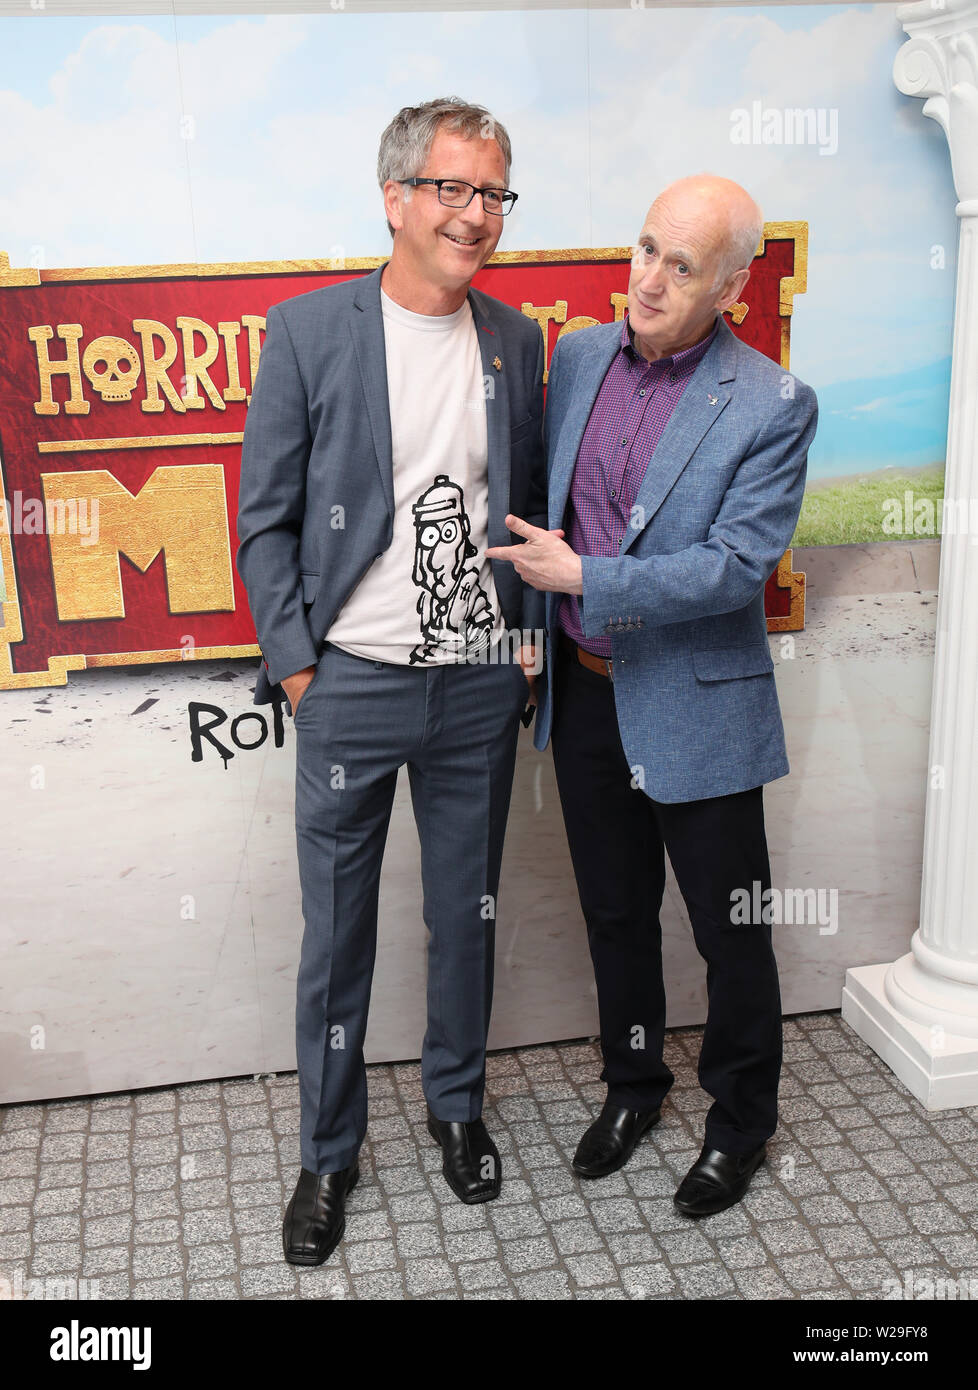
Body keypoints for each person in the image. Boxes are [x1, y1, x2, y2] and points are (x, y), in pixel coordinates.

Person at [236, 96, 545, 1266]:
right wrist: (303, 670)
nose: (477, 217)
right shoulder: (310, 331)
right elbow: (263, 521)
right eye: (455, 190)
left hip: (474, 683)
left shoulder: (514, 343)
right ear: (397, 198)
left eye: (495, 195)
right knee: (338, 931)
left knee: (465, 915)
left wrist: (518, 650)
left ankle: (457, 1105)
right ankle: (328, 1151)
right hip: (350, 685)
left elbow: (515, 511)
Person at [487, 174, 818, 1217]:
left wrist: (587, 582)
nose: (651, 280)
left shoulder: (772, 403)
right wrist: (535, 629)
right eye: (644, 250)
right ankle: (634, 1084)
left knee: (732, 931)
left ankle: (740, 1125)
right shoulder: (579, 355)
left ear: (730, 284)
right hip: (587, 700)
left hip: (699, 702)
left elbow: (735, 566)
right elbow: (548, 510)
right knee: (616, 915)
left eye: (683, 265)